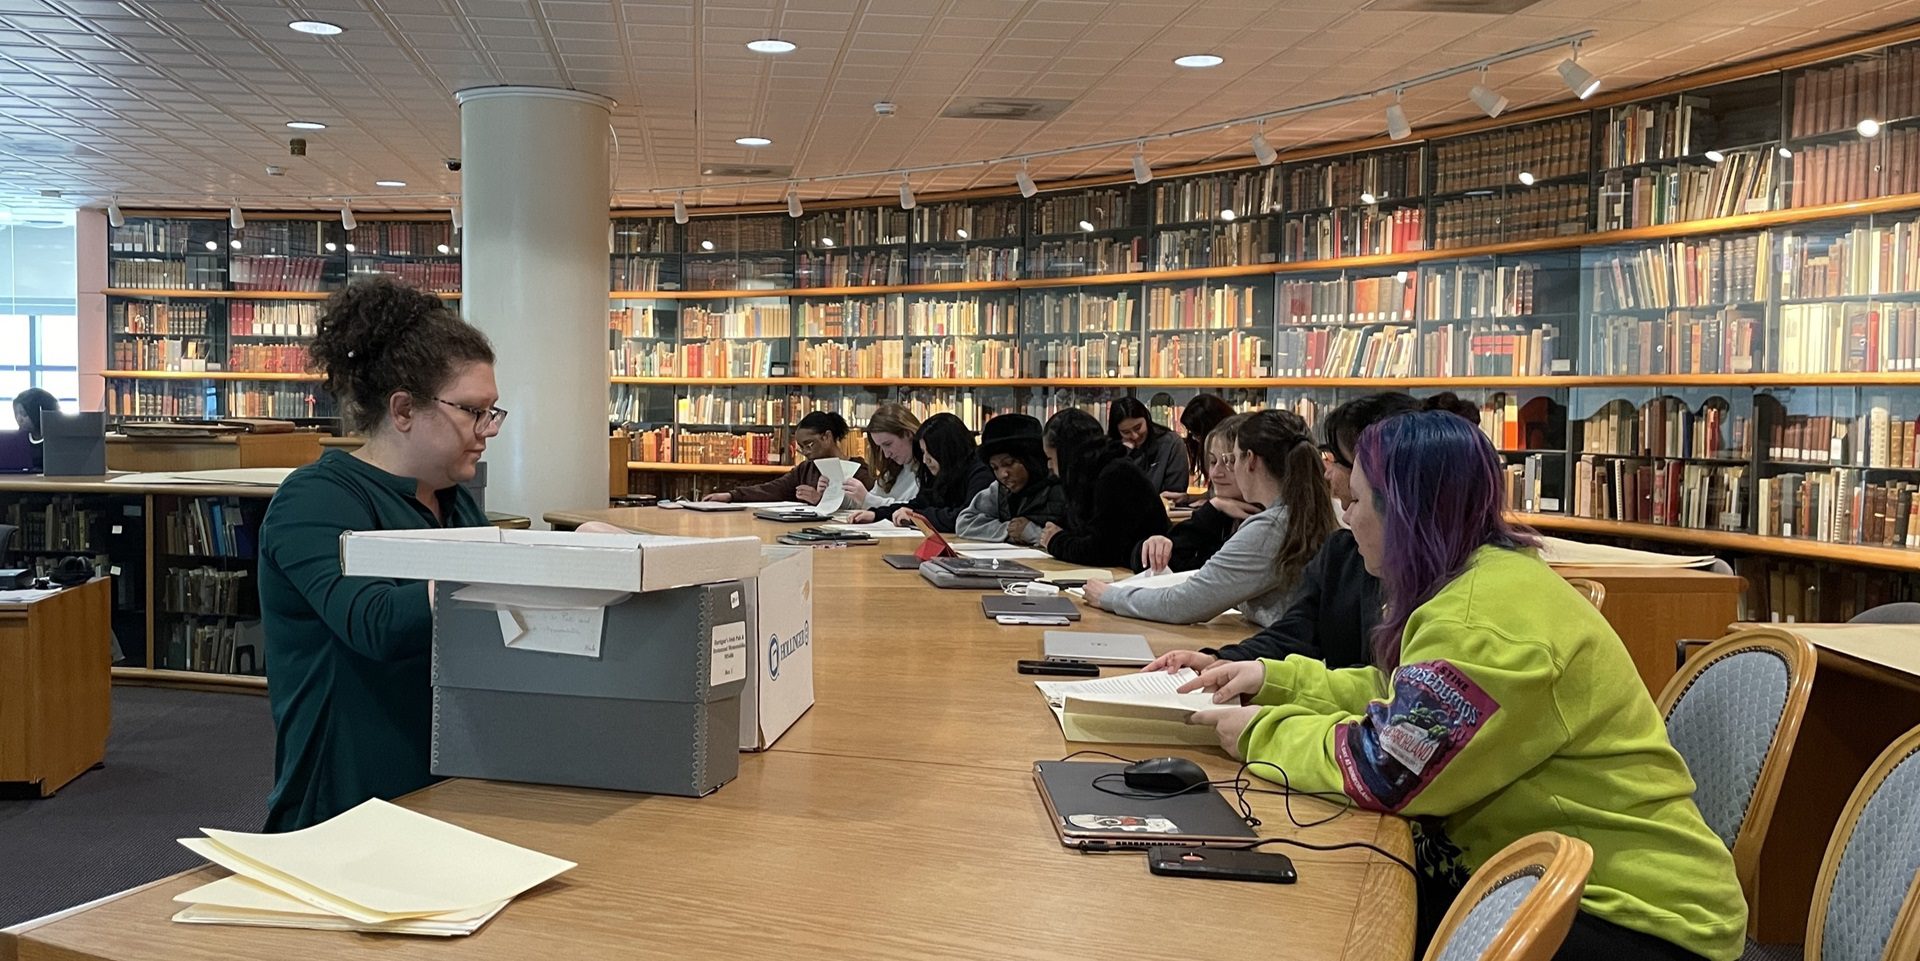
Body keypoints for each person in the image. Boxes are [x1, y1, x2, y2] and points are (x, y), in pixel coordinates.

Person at [1181, 411, 1748, 961]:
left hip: (1629, 917)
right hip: (1543, 877)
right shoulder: (1483, 580)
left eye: (1355, 502)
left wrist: (1260, 732)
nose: (1346, 520)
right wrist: (1274, 678)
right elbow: (1403, 698)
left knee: (1301, 915)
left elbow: (1387, 768)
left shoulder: (1480, 622)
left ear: (1405, 512)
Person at [256, 277, 501, 833]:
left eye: (492, 412)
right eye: (472, 411)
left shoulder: (455, 504)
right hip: (344, 803)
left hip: (449, 783)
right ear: (404, 409)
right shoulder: (315, 499)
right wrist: (515, 570)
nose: (488, 430)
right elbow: (375, 623)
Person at [1148, 392, 1473, 673]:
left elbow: (1389, 706)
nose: (1327, 472)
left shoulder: (1453, 590)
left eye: (1336, 459)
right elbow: (1299, 632)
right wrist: (1224, 660)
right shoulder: (1344, 553)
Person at [1086, 410, 1336, 627]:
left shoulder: (1271, 526)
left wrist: (1111, 597)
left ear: (1250, 461)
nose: (1218, 472)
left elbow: (1187, 603)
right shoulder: (1297, 513)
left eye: (1231, 460)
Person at [1126, 414, 1260, 574]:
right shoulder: (1223, 513)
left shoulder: (1260, 524)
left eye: (1228, 462)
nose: (1215, 473)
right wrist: (1154, 546)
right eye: (1212, 461)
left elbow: (1205, 582)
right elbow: (1152, 563)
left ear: (1252, 462)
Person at [1038, 408, 1168, 567]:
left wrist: (1056, 541)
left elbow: (1103, 550)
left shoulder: (1115, 476)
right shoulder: (1091, 475)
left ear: (1066, 455)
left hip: (1141, 575)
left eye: (1051, 458)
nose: (1049, 466)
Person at [848, 412, 991, 531]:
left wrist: (917, 517)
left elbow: (966, 517)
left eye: (930, 452)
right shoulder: (942, 473)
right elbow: (919, 504)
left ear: (946, 450)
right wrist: (876, 514)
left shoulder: (980, 473)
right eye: (923, 452)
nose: (925, 460)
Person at [702, 411, 872, 504]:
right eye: (801, 447)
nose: (805, 452)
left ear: (826, 437)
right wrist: (731, 496)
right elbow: (774, 488)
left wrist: (821, 500)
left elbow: (867, 504)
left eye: (809, 444)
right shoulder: (807, 468)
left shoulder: (858, 470)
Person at [954, 412, 1067, 545]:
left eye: (1009, 464)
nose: (1003, 474)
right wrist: (1008, 530)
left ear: (1030, 460)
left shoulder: (1061, 488)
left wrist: (1033, 533)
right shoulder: (999, 490)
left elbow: (1082, 539)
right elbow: (964, 522)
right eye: (995, 468)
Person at [841, 402, 921, 511]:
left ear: (908, 434)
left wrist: (867, 499)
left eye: (888, 444)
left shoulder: (928, 470)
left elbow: (914, 509)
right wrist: (834, 495)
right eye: (880, 447)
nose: (886, 454)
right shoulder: (891, 472)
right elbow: (866, 502)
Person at [1108, 396, 1189, 495]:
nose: (1135, 436)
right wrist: (1124, 454)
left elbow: (1175, 493)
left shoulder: (1171, 443)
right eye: (1126, 432)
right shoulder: (1111, 450)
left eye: (1138, 427)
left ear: (1146, 419)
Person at [1173, 393, 1236, 504]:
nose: (1216, 473)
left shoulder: (1233, 447)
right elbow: (1214, 493)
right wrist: (1187, 498)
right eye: (1213, 462)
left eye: (1197, 434)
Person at [13, 387, 60, 471]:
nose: (19, 419)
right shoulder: (18, 441)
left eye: (24, 414)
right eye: (16, 414)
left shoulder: (57, 441)